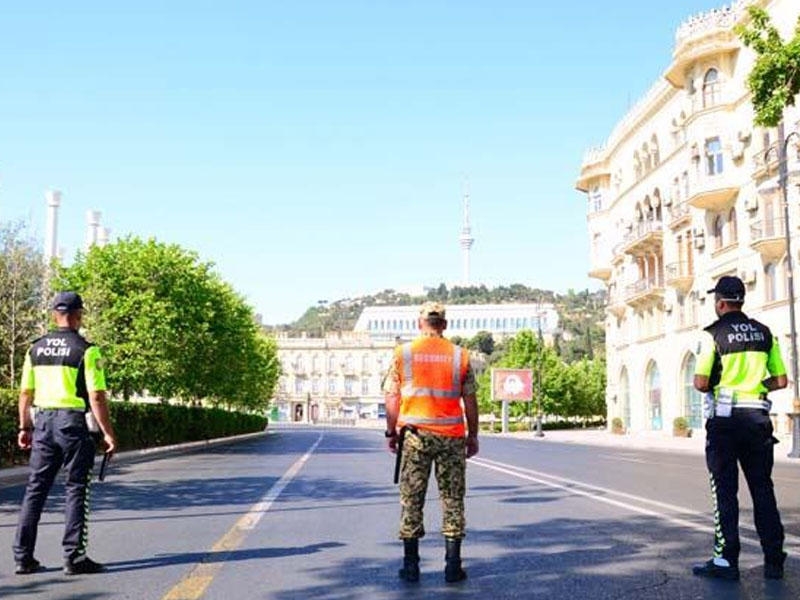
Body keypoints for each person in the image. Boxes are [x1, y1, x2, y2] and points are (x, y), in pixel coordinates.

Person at [13, 291, 117, 576]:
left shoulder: (35, 349)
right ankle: (74, 557)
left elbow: (25, 392)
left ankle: (23, 557)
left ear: (54, 314)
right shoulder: (86, 350)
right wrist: (108, 433)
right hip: (73, 425)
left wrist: (25, 427)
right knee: (76, 489)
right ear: (79, 315)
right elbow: (96, 396)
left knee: (35, 490)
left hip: (44, 422)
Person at [692, 276, 787, 581]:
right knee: (763, 490)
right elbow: (781, 380)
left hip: (725, 423)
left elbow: (701, 382)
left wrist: (723, 387)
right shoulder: (765, 333)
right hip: (758, 420)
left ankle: (725, 562)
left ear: (720, 303)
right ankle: (774, 560)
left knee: (725, 493)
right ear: (741, 300)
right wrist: (759, 386)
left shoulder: (712, 335)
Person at [383, 301, 479, 584]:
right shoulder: (460, 355)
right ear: (445, 325)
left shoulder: (403, 354)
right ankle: (453, 567)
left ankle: (411, 566)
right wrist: (472, 436)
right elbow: (470, 400)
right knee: (452, 500)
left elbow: (391, 396)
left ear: (419, 323)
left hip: (414, 438)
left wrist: (391, 433)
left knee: (412, 499)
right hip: (451, 439)